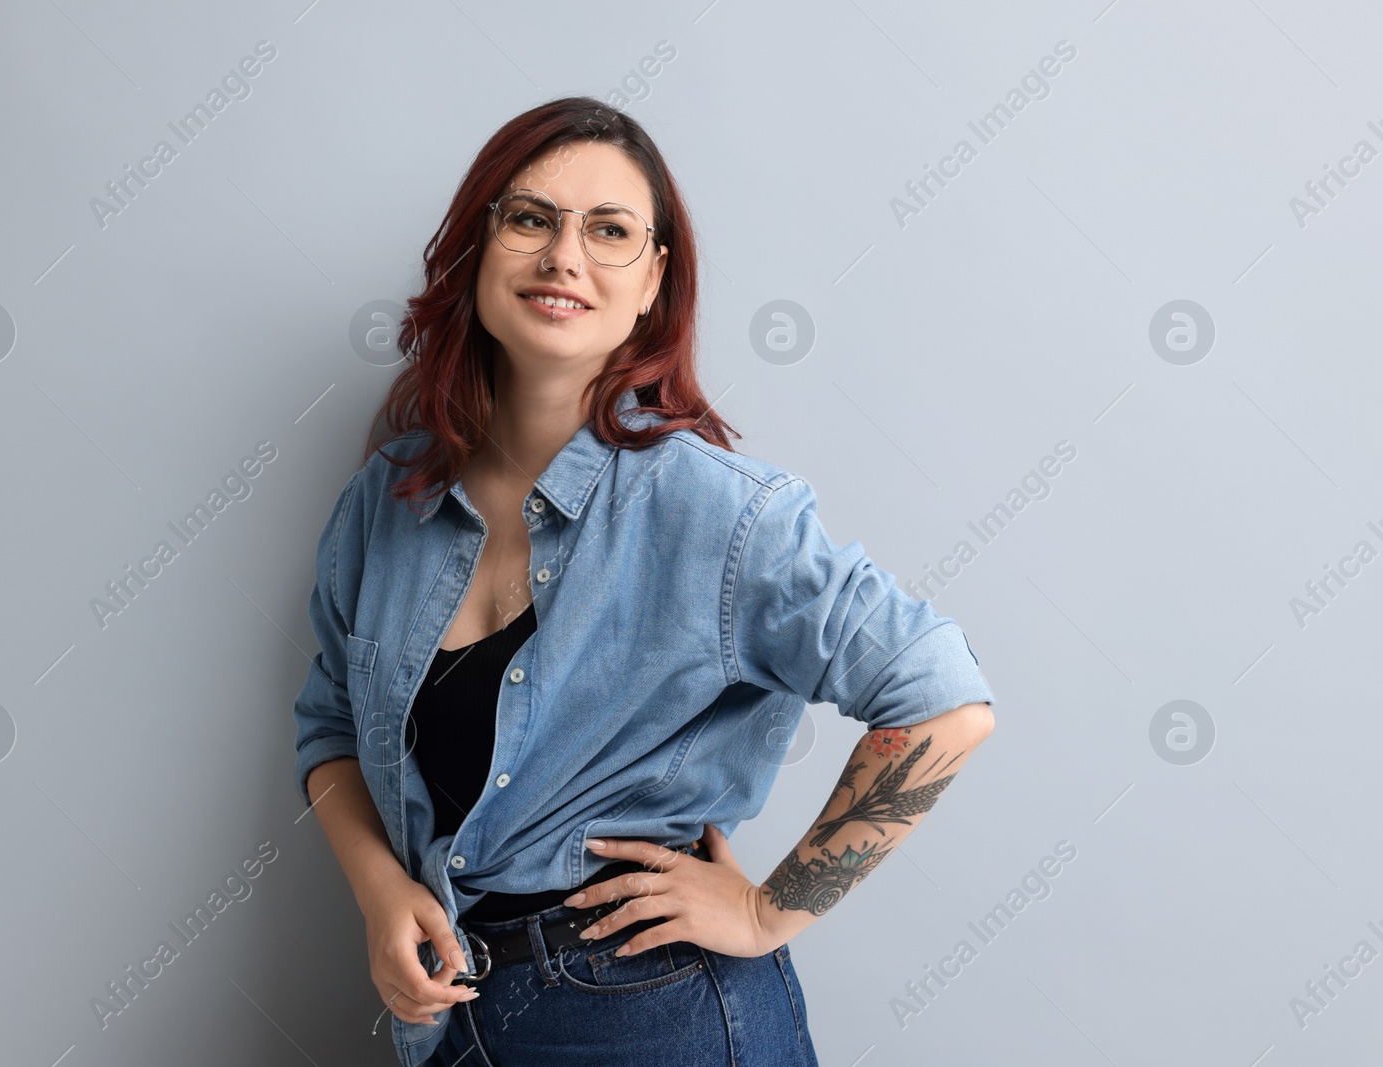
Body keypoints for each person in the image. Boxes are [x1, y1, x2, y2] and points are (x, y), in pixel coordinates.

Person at [293, 96, 996, 1067]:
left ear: (652, 280)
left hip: (653, 1015)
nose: (563, 256)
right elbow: (329, 719)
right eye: (530, 218)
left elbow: (941, 700)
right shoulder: (387, 497)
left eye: (609, 231)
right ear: (477, 248)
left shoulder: (717, 508)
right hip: (447, 1024)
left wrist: (762, 910)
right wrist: (379, 890)